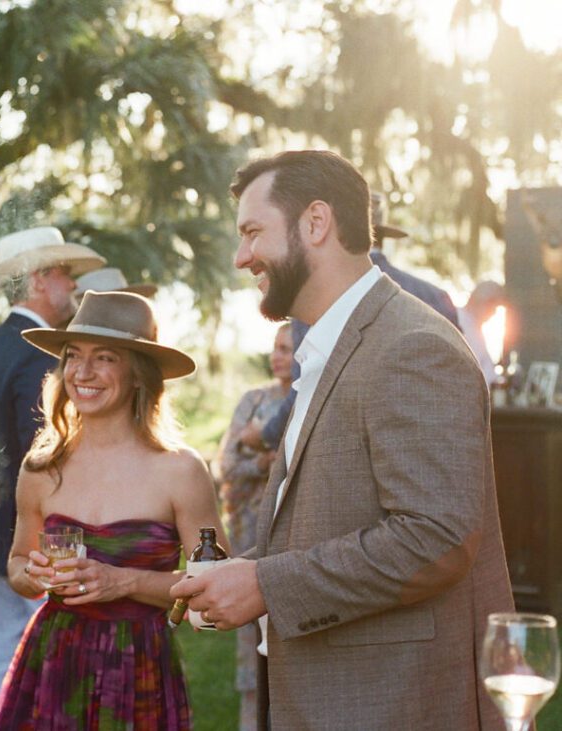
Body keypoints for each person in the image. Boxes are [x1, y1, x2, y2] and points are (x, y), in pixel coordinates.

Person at [171, 151, 514, 730]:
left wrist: (264, 584)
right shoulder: (335, 346)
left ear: (315, 222)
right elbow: (333, 521)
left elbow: (436, 537)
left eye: (253, 232)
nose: (241, 257)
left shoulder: (411, 346)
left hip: (392, 705)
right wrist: (244, 572)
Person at [0, 290, 221, 730]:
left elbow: (215, 592)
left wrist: (125, 582)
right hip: (55, 659)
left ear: (139, 374)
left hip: (139, 664)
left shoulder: (180, 471)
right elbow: (17, 565)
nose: (83, 372)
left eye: (105, 358)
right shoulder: (41, 467)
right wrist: (34, 575)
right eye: (73, 356)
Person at [0, 225, 105, 728]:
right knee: (45, 655)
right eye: (65, 274)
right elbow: (44, 451)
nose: (71, 285)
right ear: (41, 279)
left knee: (4, 649)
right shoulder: (36, 352)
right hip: (36, 535)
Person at [239, 190, 461, 454]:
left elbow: (307, 394)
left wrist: (264, 434)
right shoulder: (436, 296)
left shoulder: (316, 298)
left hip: (348, 456)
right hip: (439, 446)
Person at [214, 321, 292, 731]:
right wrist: (262, 462)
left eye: (288, 347)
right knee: (250, 635)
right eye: (275, 347)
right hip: (251, 531)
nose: (278, 355)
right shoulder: (254, 400)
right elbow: (225, 465)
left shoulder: (308, 401)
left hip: (295, 533)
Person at [458, 280, 507, 385]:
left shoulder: (475, 327)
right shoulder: (459, 321)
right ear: (484, 302)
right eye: (494, 307)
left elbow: (488, 371)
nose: (494, 313)